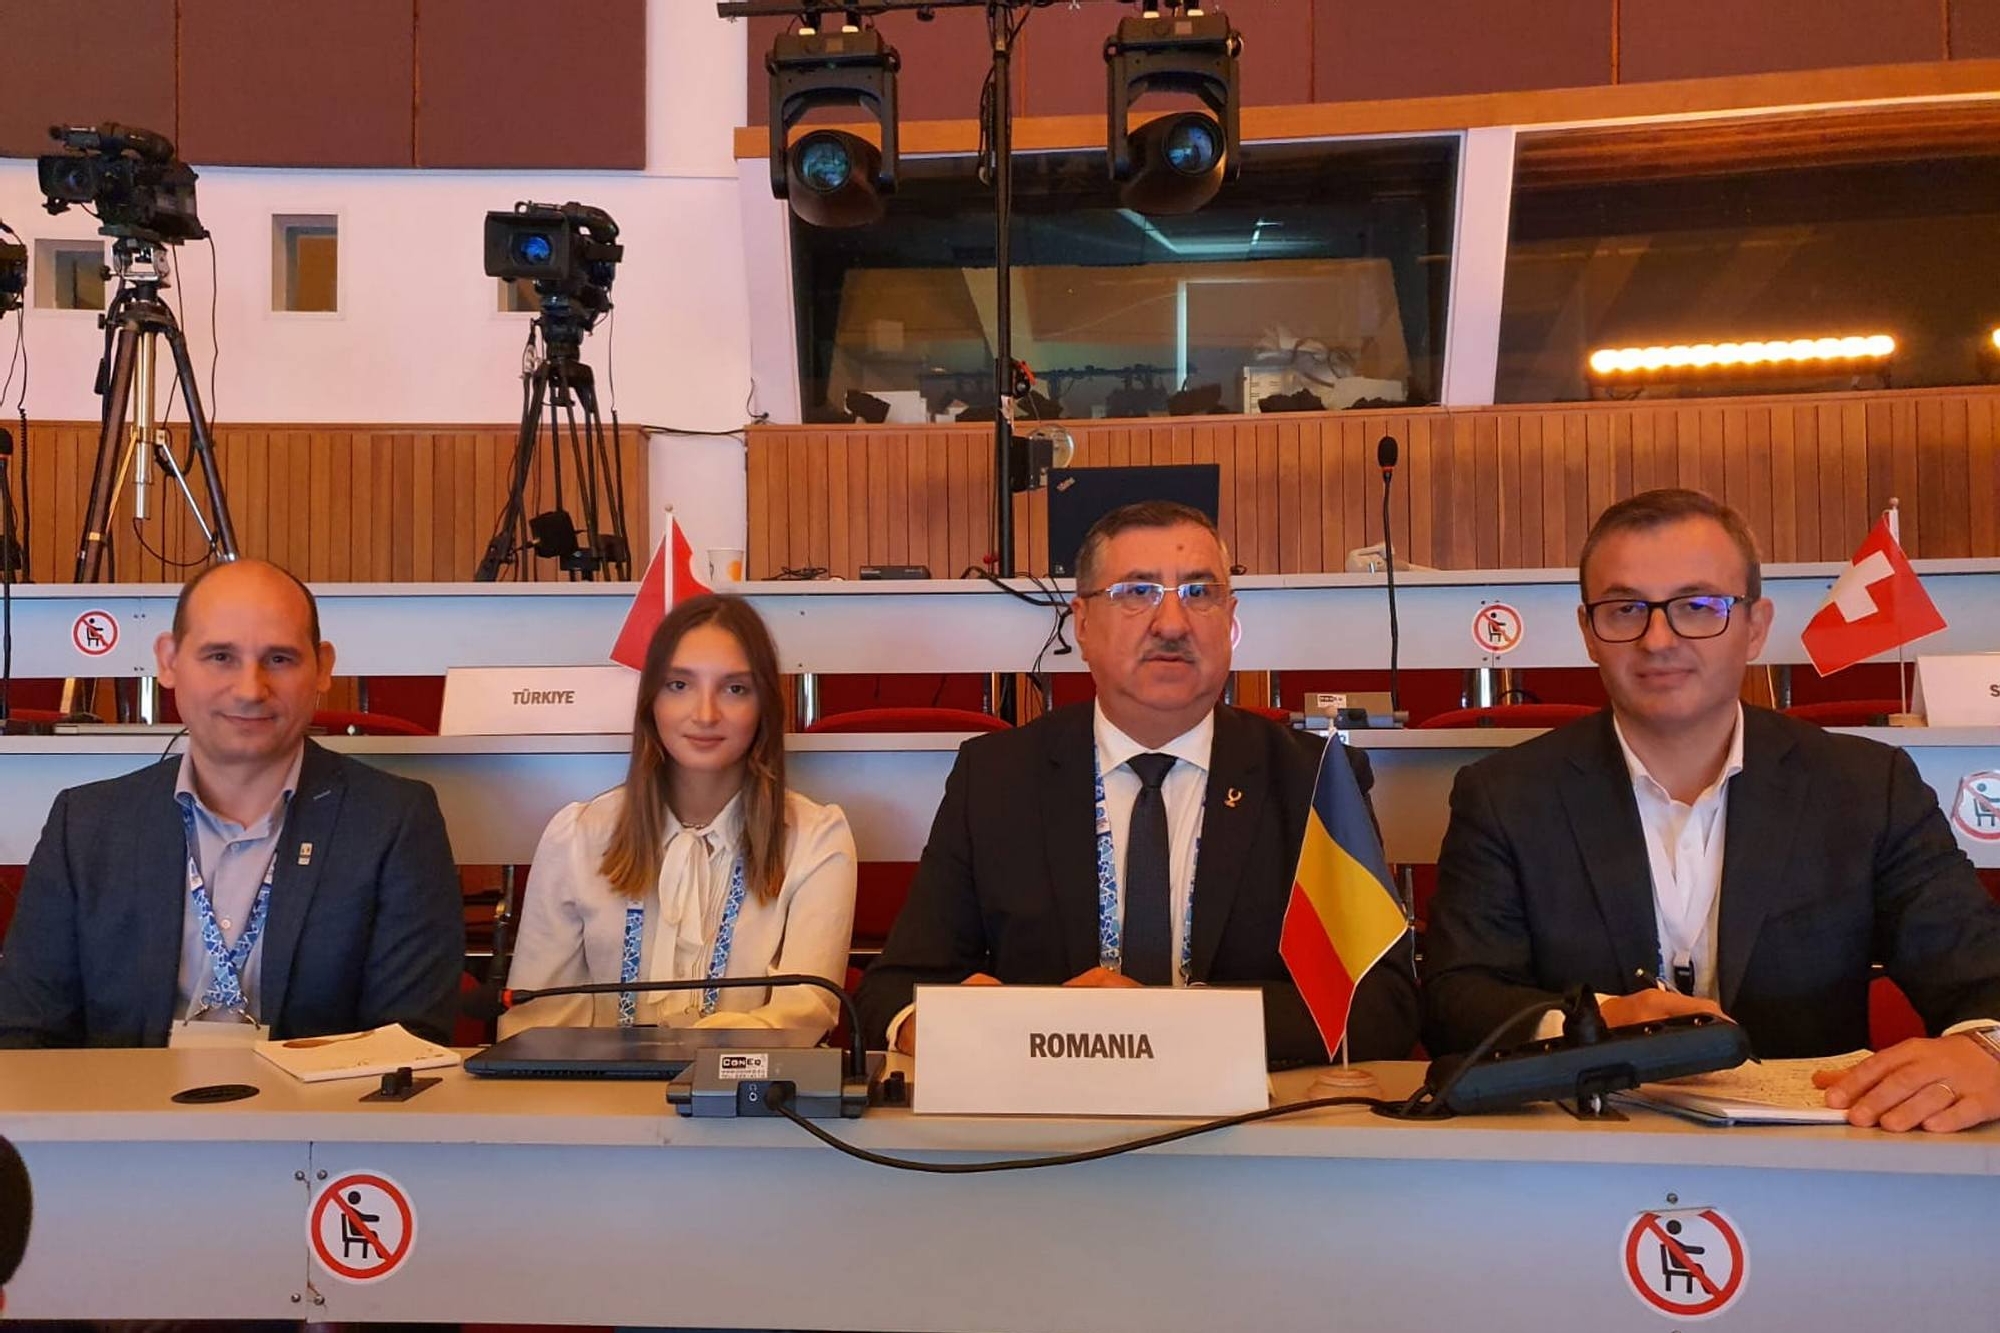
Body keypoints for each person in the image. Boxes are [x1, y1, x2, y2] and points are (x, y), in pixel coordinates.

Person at [1423, 488, 2000, 1132]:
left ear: (1756, 627)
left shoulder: (1868, 786)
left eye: (1698, 607)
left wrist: (1988, 1050)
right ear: (1588, 632)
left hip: (1818, 1158)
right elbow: (1457, 999)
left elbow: (1982, 976)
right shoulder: (1504, 795)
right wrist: (1598, 1021)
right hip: (1582, 1152)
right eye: (1625, 609)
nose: (1658, 639)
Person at [855, 501, 1418, 1066]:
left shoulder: (1314, 781)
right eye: (1136, 592)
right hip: (1046, 1112)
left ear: (1231, 619)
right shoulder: (997, 778)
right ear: (1081, 624)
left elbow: (1381, 1005)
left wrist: (1173, 1022)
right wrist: (934, 1024)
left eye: (1199, 593)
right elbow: (896, 989)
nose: (1172, 624)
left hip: (1252, 1114)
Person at [0, 560, 464, 1048]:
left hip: (318, 1101)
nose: (250, 690)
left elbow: (408, 1045)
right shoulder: (86, 825)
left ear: (323, 667)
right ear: (169, 661)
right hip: (124, 1100)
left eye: (279, 659)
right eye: (220, 656)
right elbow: (24, 1037)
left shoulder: (393, 822)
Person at [502, 595, 856, 1038]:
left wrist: (691, 1056)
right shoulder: (577, 836)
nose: (705, 714)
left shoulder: (816, 839)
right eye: (679, 685)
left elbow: (803, 1015)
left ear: (764, 705)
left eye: (735, 689)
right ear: (651, 701)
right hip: (594, 1083)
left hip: (747, 1084)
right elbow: (537, 1026)